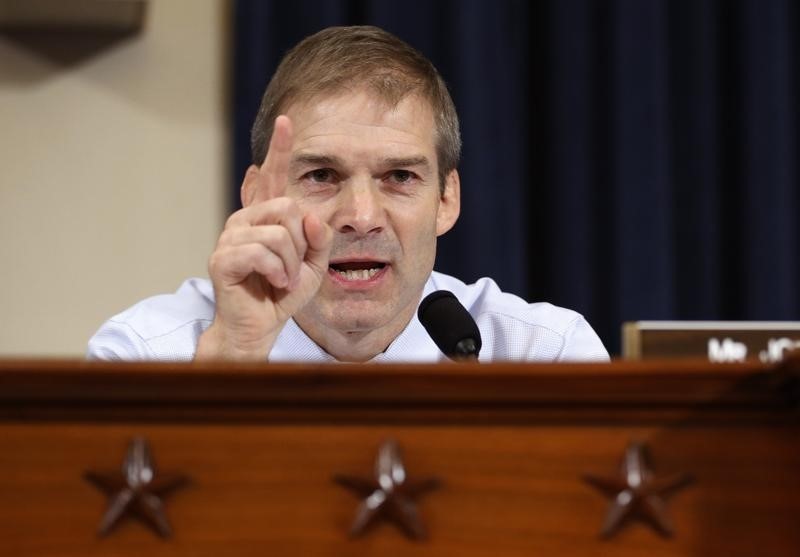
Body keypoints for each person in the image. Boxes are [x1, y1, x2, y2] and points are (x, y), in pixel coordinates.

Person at [88, 26, 609, 363]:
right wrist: (233, 355)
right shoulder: (145, 355)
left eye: (399, 177)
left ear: (447, 200)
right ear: (255, 197)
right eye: (321, 175)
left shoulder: (543, 355)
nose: (360, 216)